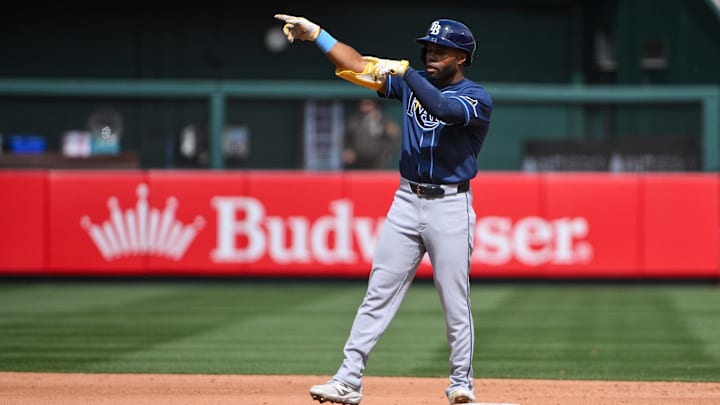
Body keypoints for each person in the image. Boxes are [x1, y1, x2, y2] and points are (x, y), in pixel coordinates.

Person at [274, 13, 493, 405]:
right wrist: (319, 34)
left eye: (441, 50)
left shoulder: (476, 98)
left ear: (461, 57)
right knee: (378, 292)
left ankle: (462, 382)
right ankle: (348, 379)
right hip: (407, 200)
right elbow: (355, 64)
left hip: (450, 205)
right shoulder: (414, 80)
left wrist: (407, 75)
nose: (431, 55)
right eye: (428, 48)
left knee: (454, 297)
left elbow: (443, 108)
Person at [342, 98, 401, 170]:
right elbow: (346, 138)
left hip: (378, 161)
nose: (364, 107)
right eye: (362, 104)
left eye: (368, 104)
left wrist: (387, 154)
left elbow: (394, 138)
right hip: (359, 161)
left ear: (375, 105)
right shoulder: (354, 121)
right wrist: (348, 150)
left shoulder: (384, 121)